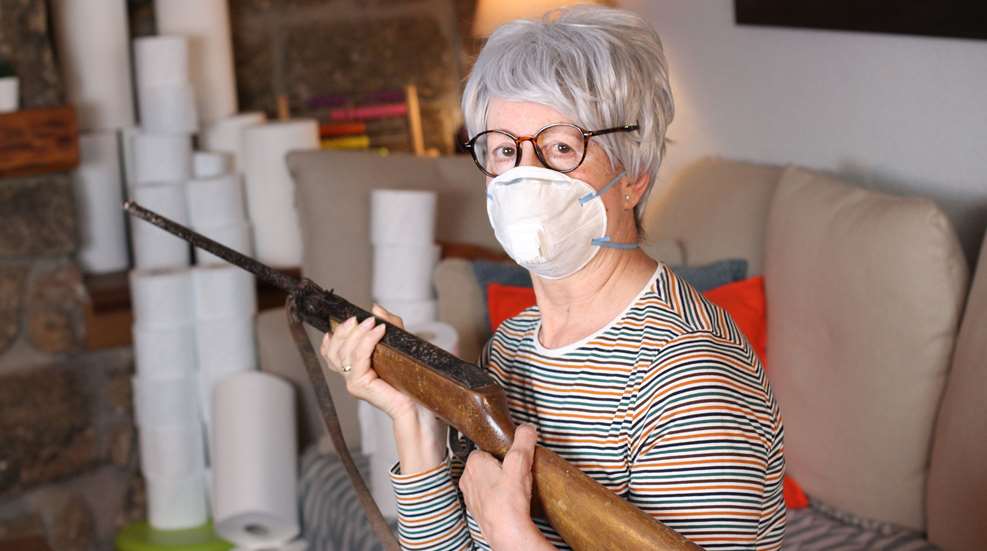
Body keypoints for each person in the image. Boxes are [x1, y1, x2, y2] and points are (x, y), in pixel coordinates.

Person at [320, 5, 785, 550]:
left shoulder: (690, 373)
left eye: (561, 147)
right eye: (502, 149)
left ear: (634, 174)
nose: (524, 176)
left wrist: (516, 538)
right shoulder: (511, 348)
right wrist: (415, 419)